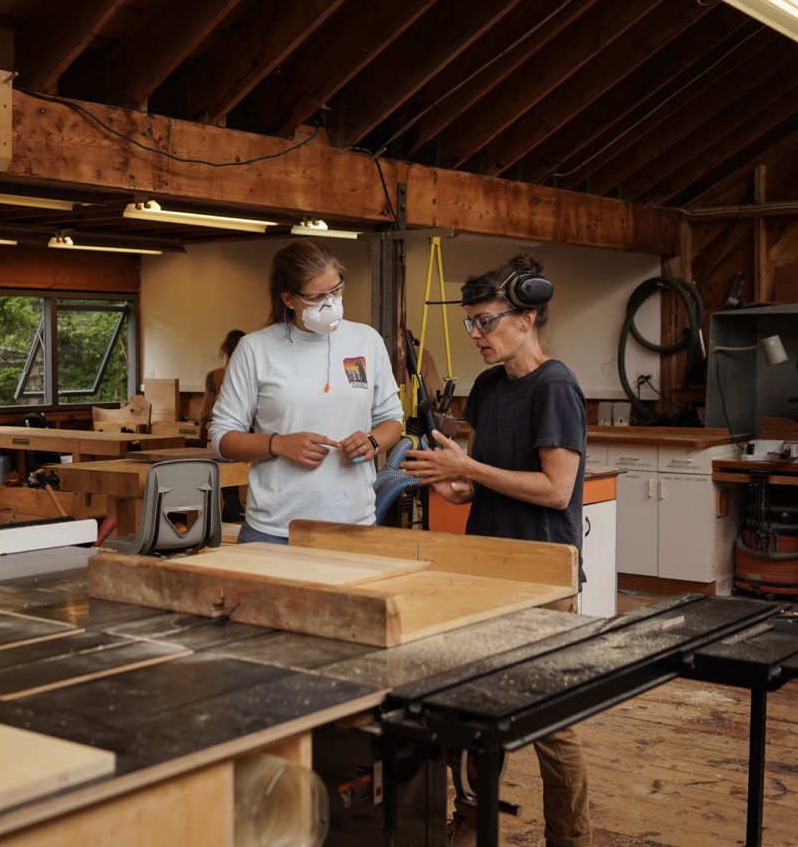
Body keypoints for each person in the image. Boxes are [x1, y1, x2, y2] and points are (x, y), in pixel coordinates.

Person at [401, 253, 591, 847]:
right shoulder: (486, 387)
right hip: (484, 569)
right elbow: (471, 486)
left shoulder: (554, 385)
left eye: (486, 322)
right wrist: (444, 478)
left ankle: (570, 838)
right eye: (470, 325)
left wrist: (469, 466)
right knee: (478, 710)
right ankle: (472, 827)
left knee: (551, 723)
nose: (477, 336)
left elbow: (557, 491)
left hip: (540, 572)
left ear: (527, 317)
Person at [209, 238, 403, 544]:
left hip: (354, 524)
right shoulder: (256, 349)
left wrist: (373, 441)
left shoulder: (366, 341)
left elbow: (392, 419)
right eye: (317, 297)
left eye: (336, 290)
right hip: (276, 529)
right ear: (289, 299)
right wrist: (277, 444)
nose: (331, 302)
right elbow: (222, 437)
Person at [199, 329, 247, 521]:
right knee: (232, 484)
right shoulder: (249, 375)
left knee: (224, 485)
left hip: (219, 434)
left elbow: (205, 410)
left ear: (224, 350)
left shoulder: (215, 376)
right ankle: (230, 519)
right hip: (244, 436)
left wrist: (201, 431)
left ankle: (232, 518)